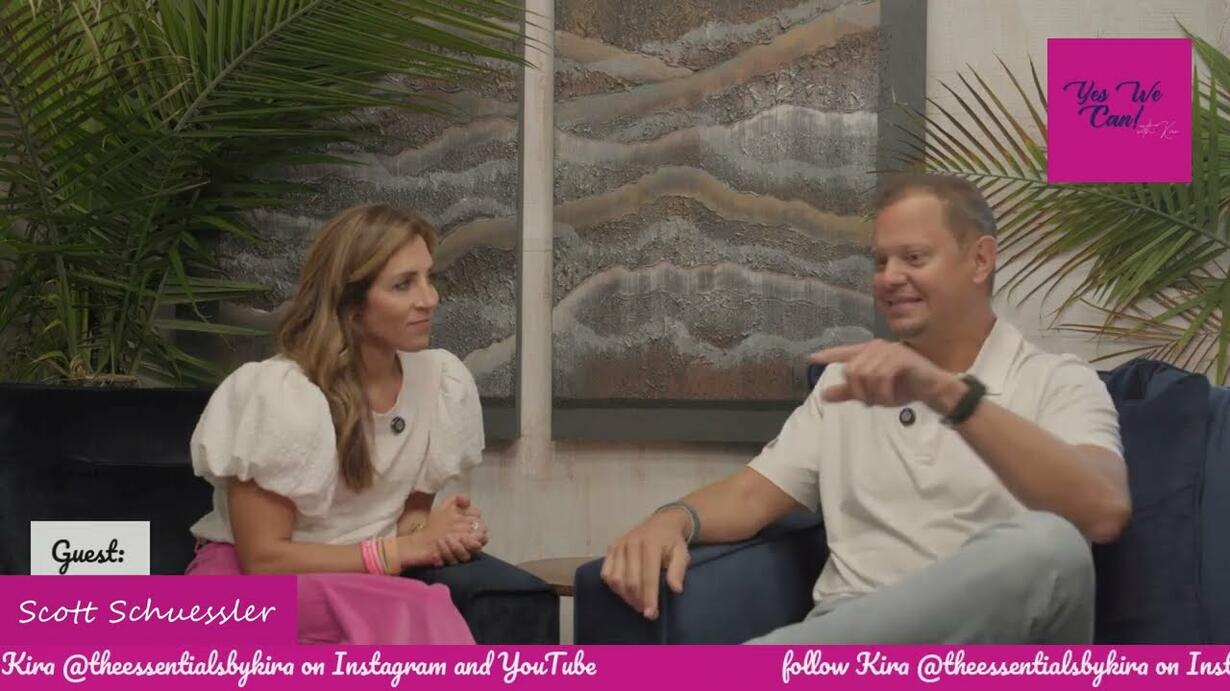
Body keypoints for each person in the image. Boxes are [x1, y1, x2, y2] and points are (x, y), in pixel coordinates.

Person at [600, 174, 1132, 644]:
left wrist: (944, 392)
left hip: (985, 656)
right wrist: (673, 519)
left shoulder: (1057, 380)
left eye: (914, 258)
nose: (889, 277)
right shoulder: (846, 382)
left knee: (1052, 548)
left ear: (980, 260)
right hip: (850, 643)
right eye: (881, 261)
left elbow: (1103, 511)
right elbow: (750, 495)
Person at [185, 203, 487, 645]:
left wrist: (439, 533)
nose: (429, 299)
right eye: (404, 284)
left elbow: (406, 518)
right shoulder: (282, 393)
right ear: (351, 306)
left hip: (359, 579)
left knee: (411, 606)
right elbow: (263, 561)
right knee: (417, 608)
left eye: (429, 277)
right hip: (255, 586)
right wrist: (398, 551)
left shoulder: (439, 381)